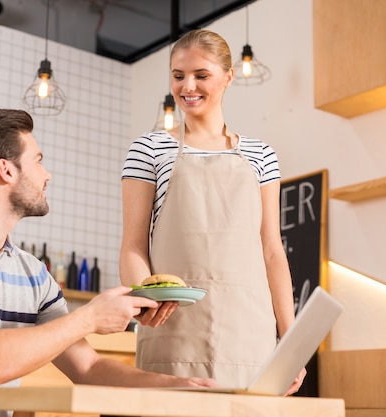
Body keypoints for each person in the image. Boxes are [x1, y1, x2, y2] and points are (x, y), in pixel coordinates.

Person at [0, 109, 216, 417]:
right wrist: (91, 316)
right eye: (38, 161)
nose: (47, 174)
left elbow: (88, 368)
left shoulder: (32, 273)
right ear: (6, 170)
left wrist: (174, 386)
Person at [119, 29, 306, 395]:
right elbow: (133, 245)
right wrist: (147, 301)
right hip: (173, 326)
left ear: (227, 77)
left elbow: (271, 250)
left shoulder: (261, 155)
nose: (187, 86)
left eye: (201, 75)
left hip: (250, 332)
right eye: (178, 76)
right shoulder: (149, 148)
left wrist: (292, 342)